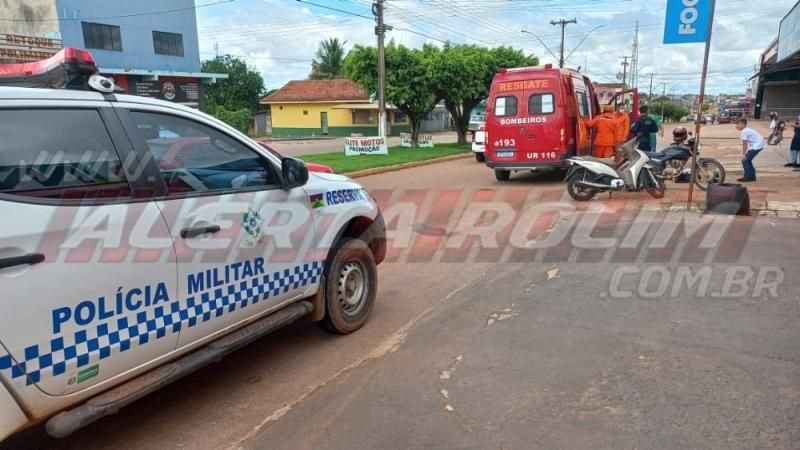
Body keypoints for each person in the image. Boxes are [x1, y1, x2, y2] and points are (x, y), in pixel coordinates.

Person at [736, 118, 765, 182]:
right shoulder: (746, 130)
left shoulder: (744, 131)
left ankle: (749, 177)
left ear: (743, 124)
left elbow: (744, 144)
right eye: (736, 124)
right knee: (747, 160)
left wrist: (743, 154)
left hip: (757, 145)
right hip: (757, 145)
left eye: (738, 124)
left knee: (745, 160)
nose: (736, 126)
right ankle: (751, 176)